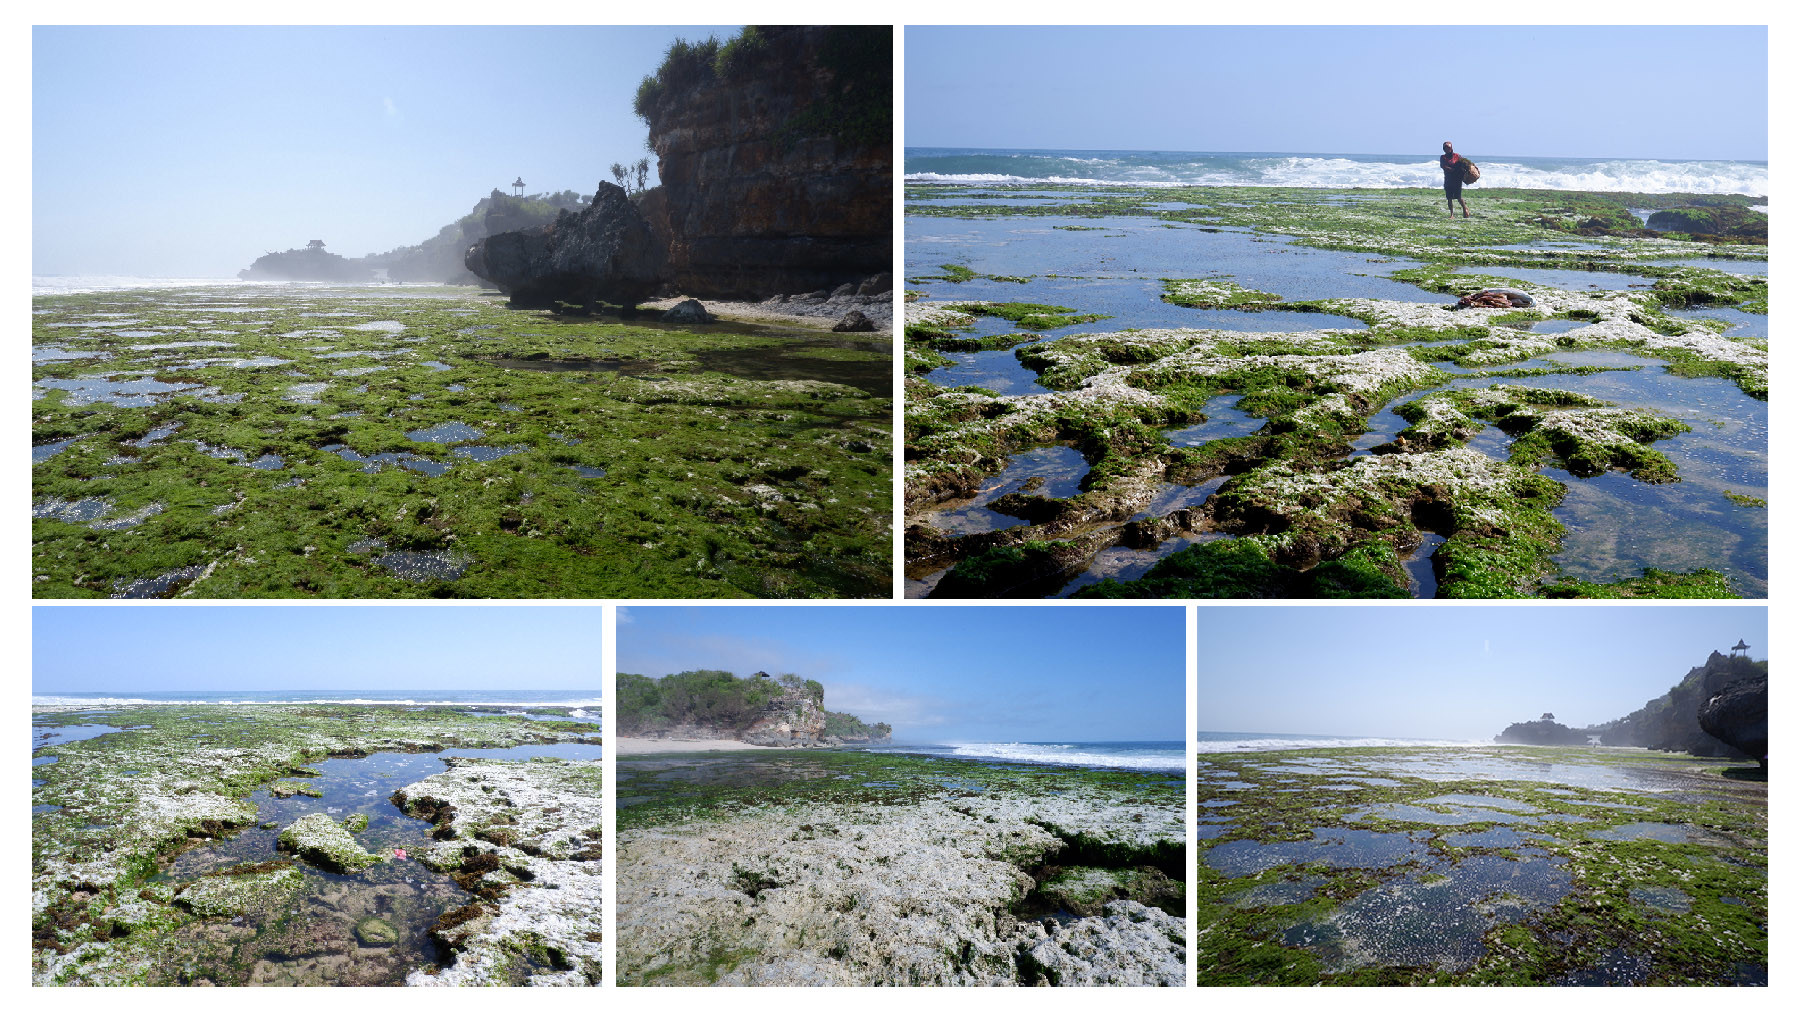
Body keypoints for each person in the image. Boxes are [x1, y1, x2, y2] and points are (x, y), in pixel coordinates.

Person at [1439, 141, 1470, 218]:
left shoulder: (1457, 156)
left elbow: (1464, 163)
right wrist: (1453, 170)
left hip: (1457, 179)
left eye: (1448, 148)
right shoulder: (1443, 157)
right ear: (1444, 149)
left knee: (1458, 197)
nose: (1447, 149)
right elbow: (1443, 166)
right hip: (1448, 180)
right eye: (1445, 148)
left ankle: (1465, 208)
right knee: (1449, 198)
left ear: (1451, 148)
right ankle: (1451, 214)